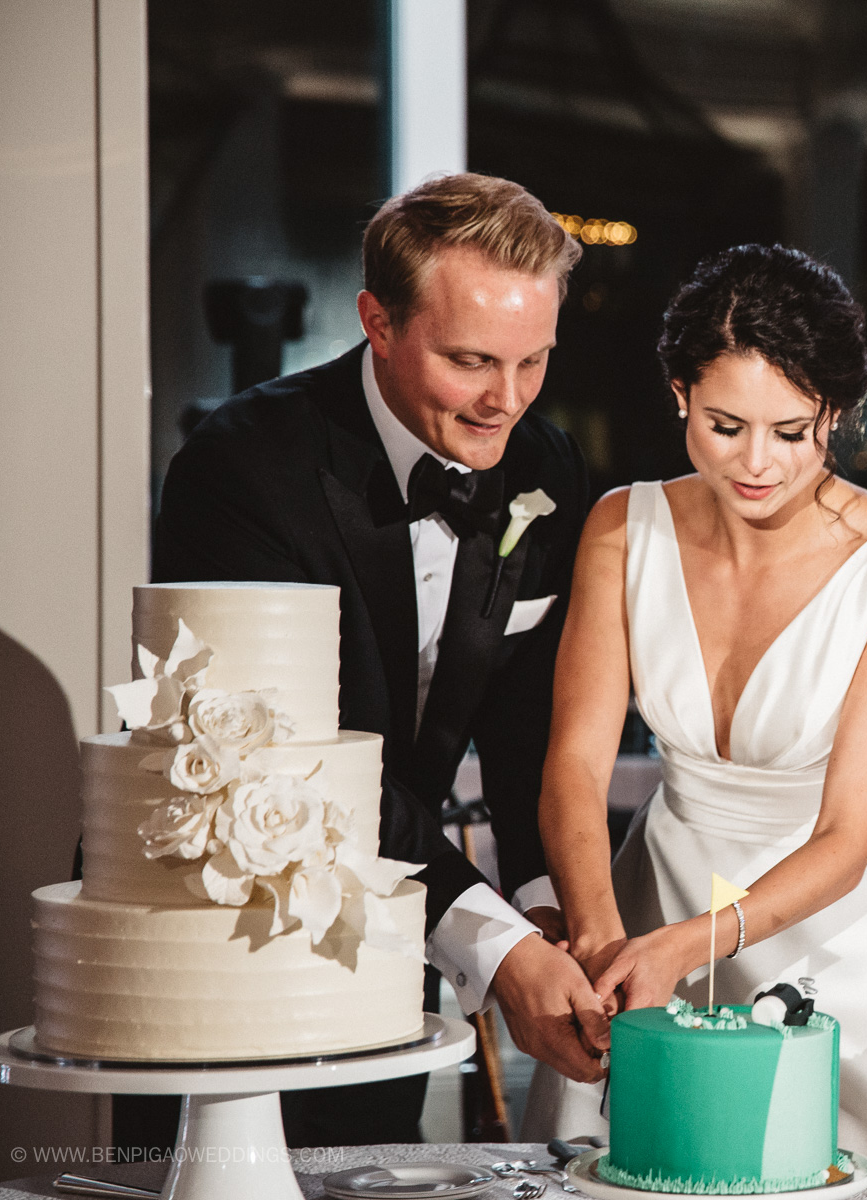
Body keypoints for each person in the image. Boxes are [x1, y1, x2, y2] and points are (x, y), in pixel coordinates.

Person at [522, 244, 867, 1198]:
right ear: (680, 393)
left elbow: (850, 837)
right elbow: (572, 763)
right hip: (659, 889)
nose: (758, 463)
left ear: (835, 416)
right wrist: (605, 936)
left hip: (853, 922)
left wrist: (685, 946)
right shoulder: (621, 526)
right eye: (727, 426)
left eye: (793, 431)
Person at [142, 173, 608, 1147]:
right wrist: (496, 944)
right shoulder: (243, 470)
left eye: (534, 363)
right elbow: (288, 759)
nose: (506, 403)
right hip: (226, 929)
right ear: (378, 322)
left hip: (396, 935)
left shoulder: (545, 470)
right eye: (473, 361)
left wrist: (540, 907)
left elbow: (526, 730)